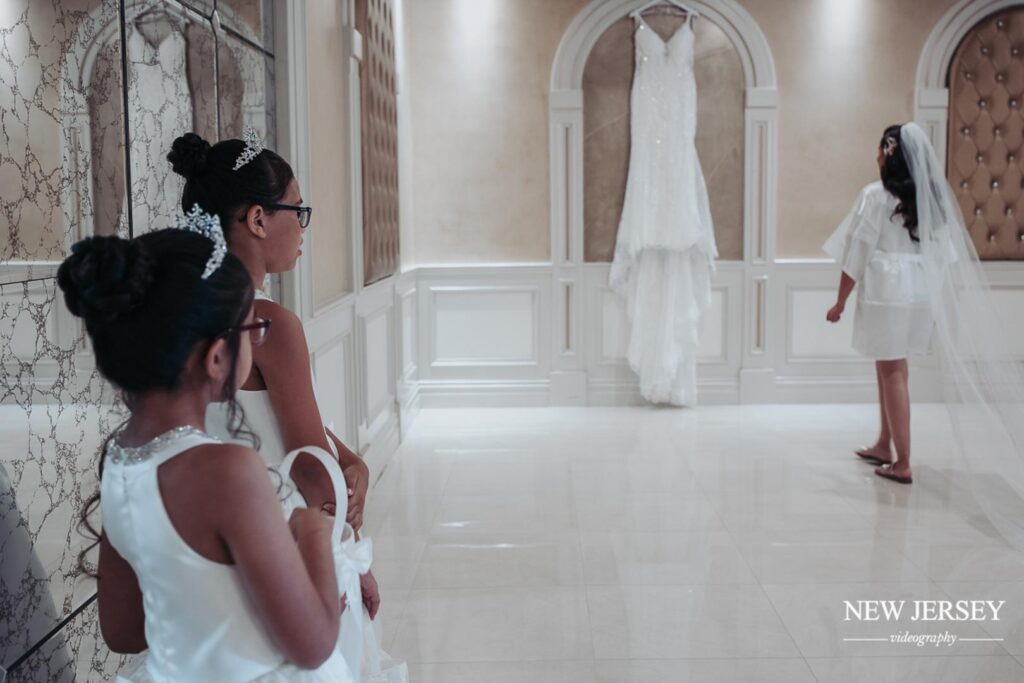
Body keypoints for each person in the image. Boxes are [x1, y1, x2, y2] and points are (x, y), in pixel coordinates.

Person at [58, 219, 353, 681]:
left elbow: (123, 630)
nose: (255, 340)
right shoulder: (227, 471)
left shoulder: (118, 458)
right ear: (217, 357)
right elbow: (313, 645)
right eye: (250, 329)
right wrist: (312, 531)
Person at [167, 130, 379, 678]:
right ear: (259, 219)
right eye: (297, 210)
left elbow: (254, 425)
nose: (303, 227)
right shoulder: (268, 326)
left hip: (208, 551)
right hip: (283, 553)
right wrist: (350, 561)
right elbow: (309, 471)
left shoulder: (174, 321)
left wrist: (346, 452)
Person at [823, 124, 936, 484]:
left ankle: (902, 462)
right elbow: (943, 255)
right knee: (891, 368)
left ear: (889, 155)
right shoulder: (924, 201)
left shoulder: (875, 196)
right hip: (917, 291)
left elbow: (856, 252)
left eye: (879, 150)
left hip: (887, 291)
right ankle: (884, 443)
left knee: (892, 372)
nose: (875, 157)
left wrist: (840, 300)